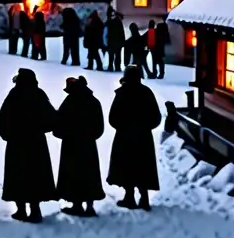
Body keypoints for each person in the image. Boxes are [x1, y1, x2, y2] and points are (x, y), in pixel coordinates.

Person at [0, 68, 57, 222]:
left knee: (17, 176)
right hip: (36, 143)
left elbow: (1, 121)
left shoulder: (14, 95)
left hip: (17, 143)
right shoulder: (39, 95)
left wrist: (8, 135)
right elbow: (52, 119)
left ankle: (21, 210)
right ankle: (35, 211)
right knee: (35, 177)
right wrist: (40, 129)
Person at [107, 65, 161, 210]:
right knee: (142, 166)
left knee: (127, 166)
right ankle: (144, 198)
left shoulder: (122, 93)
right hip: (143, 137)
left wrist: (123, 126)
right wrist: (144, 127)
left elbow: (112, 117)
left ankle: (129, 197)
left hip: (125, 137)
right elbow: (156, 117)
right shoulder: (146, 93)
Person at [54, 76, 105, 217]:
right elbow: (99, 127)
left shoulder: (70, 101)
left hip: (72, 144)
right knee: (90, 174)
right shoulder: (94, 102)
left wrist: (63, 133)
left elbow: (59, 122)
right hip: (88, 145)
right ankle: (90, 205)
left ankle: (77, 205)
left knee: (74, 174)